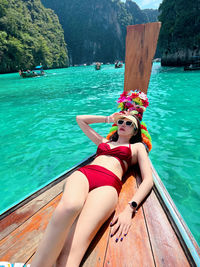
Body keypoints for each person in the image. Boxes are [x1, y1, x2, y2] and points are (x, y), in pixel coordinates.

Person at [31, 91, 153, 267]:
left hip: (109, 184)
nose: (123, 124)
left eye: (129, 123)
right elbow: (80, 119)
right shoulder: (103, 141)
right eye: (121, 121)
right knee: (70, 207)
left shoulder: (137, 147)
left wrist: (130, 208)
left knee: (73, 247)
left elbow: (148, 180)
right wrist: (109, 118)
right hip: (85, 175)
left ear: (135, 129)